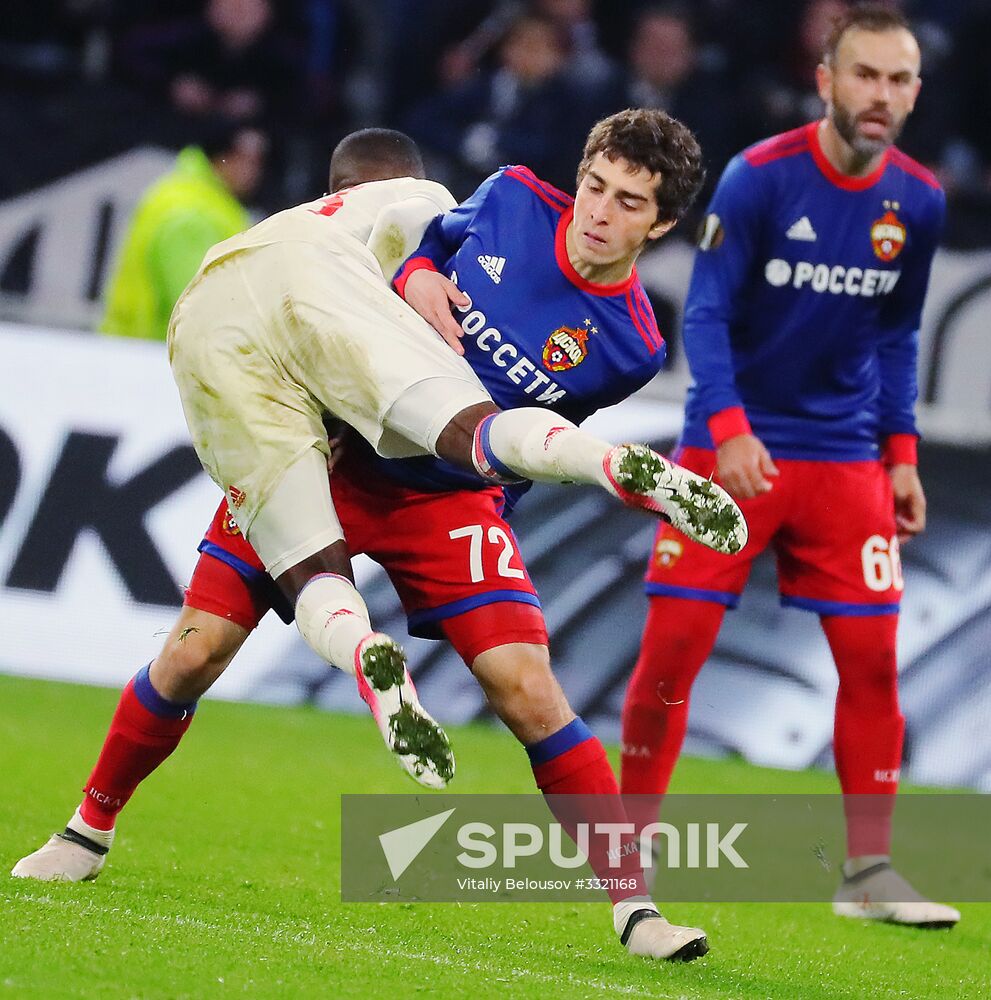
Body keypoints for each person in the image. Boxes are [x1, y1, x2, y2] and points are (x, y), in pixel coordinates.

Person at [13, 116, 746, 962]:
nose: (598, 214)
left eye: (628, 204)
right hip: (329, 450)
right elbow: (389, 262)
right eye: (594, 187)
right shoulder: (507, 199)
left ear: (658, 227)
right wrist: (425, 279)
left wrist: (488, 500)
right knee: (194, 650)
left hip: (449, 496)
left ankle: (637, 911)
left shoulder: (631, 347)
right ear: (577, 175)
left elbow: (537, 421)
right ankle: (85, 829)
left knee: (528, 688)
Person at [619, 4, 960, 929]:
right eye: (864, 76)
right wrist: (726, 427)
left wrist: (900, 456)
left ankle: (866, 871)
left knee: (872, 664)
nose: (880, 95)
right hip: (730, 450)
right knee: (670, 657)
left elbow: (896, 335)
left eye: (897, 80)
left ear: (915, 92)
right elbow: (705, 314)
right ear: (826, 80)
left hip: (843, 459)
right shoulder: (759, 178)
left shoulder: (919, 200)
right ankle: (628, 870)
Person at [100, 120, 265, 340]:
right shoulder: (193, 212)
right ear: (224, 157)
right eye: (249, 160)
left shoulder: (185, 194)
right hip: (154, 353)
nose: (255, 171)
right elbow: (198, 304)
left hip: (136, 347)